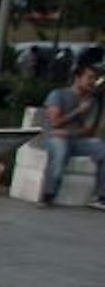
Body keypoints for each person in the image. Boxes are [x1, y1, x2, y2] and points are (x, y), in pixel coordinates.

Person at [37, 55, 104, 209]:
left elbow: (88, 131)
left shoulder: (91, 101)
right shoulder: (58, 94)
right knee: (60, 150)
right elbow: (55, 123)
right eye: (90, 78)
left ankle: (101, 197)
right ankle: (49, 194)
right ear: (78, 78)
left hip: (75, 139)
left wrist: (69, 133)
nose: (92, 82)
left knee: (102, 148)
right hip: (53, 138)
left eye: (94, 78)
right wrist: (78, 111)